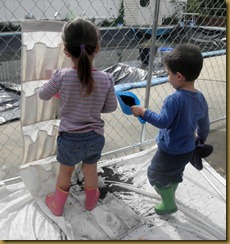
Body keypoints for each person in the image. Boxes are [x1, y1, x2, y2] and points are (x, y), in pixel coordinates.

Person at [39, 17, 117, 216]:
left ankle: (57, 205)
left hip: (69, 139)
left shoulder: (61, 76)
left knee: (65, 171)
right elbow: (110, 108)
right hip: (94, 137)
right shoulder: (106, 79)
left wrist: (62, 92)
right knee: (90, 169)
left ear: (65, 50)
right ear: (97, 48)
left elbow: (43, 94)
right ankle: (91, 200)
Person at [131, 43, 210, 215]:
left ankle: (168, 203)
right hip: (188, 149)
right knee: (175, 173)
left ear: (179, 76)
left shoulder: (174, 99)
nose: (167, 78)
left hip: (170, 150)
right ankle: (171, 194)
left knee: (155, 174)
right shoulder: (201, 98)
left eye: (168, 74)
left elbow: (162, 122)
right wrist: (201, 139)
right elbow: (205, 124)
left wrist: (143, 111)